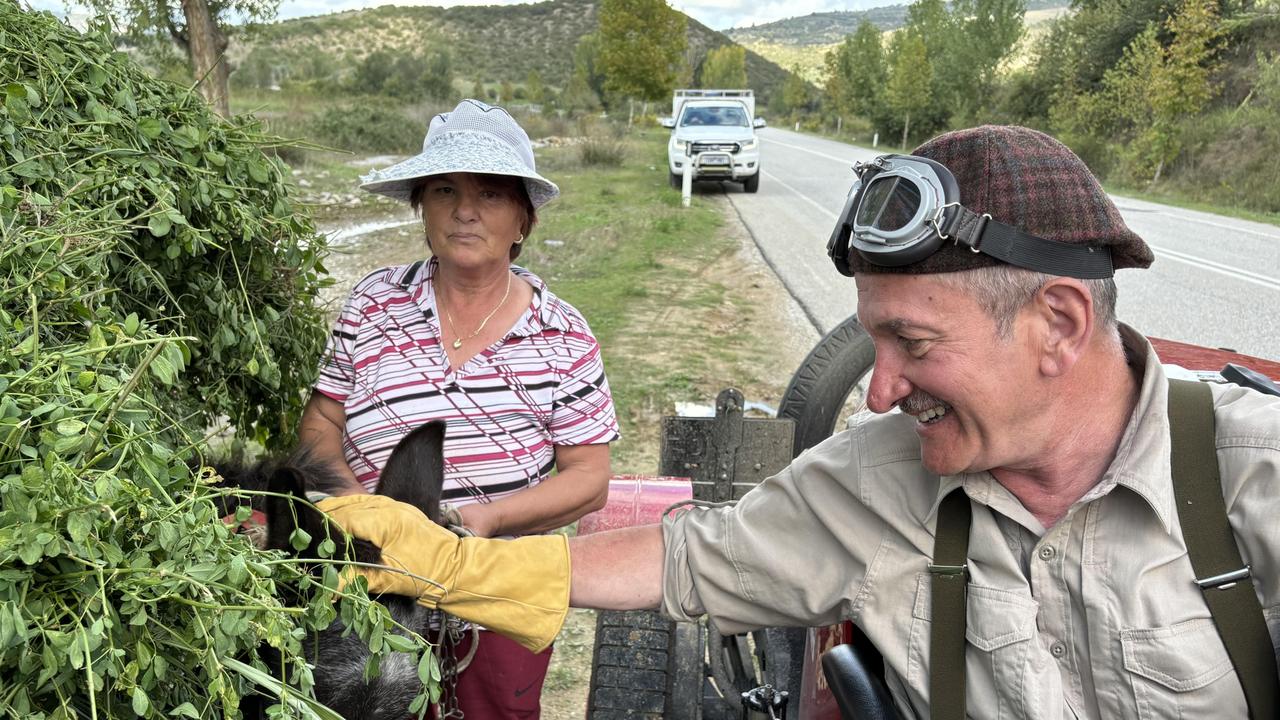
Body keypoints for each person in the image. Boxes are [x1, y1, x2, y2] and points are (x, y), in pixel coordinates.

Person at [318, 125, 1280, 718]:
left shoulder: (1255, 478)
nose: (877, 392)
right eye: (872, 343)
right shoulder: (880, 478)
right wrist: (458, 567)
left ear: (1058, 324)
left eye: (911, 342)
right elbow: (690, 559)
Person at [302, 98, 619, 719]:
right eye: (445, 190)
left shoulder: (563, 333)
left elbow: (590, 479)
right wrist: (360, 516)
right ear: (423, 209)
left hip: (495, 585)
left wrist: (486, 520)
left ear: (522, 222)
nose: (466, 211)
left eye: (491, 195)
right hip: (368, 578)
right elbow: (322, 422)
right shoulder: (373, 304)